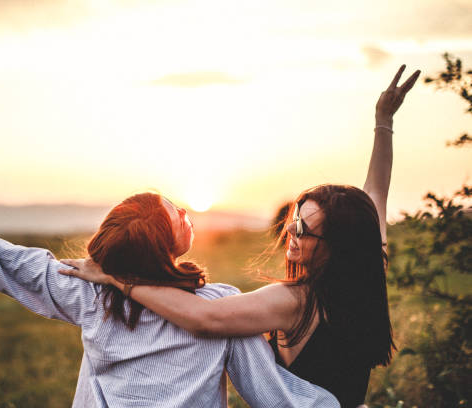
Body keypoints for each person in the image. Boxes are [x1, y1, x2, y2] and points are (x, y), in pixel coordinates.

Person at [59, 65, 421, 408]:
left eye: (305, 231)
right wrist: (383, 123)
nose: (290, 233)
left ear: (338, 245)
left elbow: (205, 319)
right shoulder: (365, 271)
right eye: (294, 220)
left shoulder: (295, 300)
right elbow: (375, 194)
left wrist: (120, 279)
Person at [0, 186, 338, 407]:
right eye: (177, 215)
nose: (188, 215)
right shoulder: (219, 306)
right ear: (163, 245)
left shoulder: (89, 294)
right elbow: (273, 396)